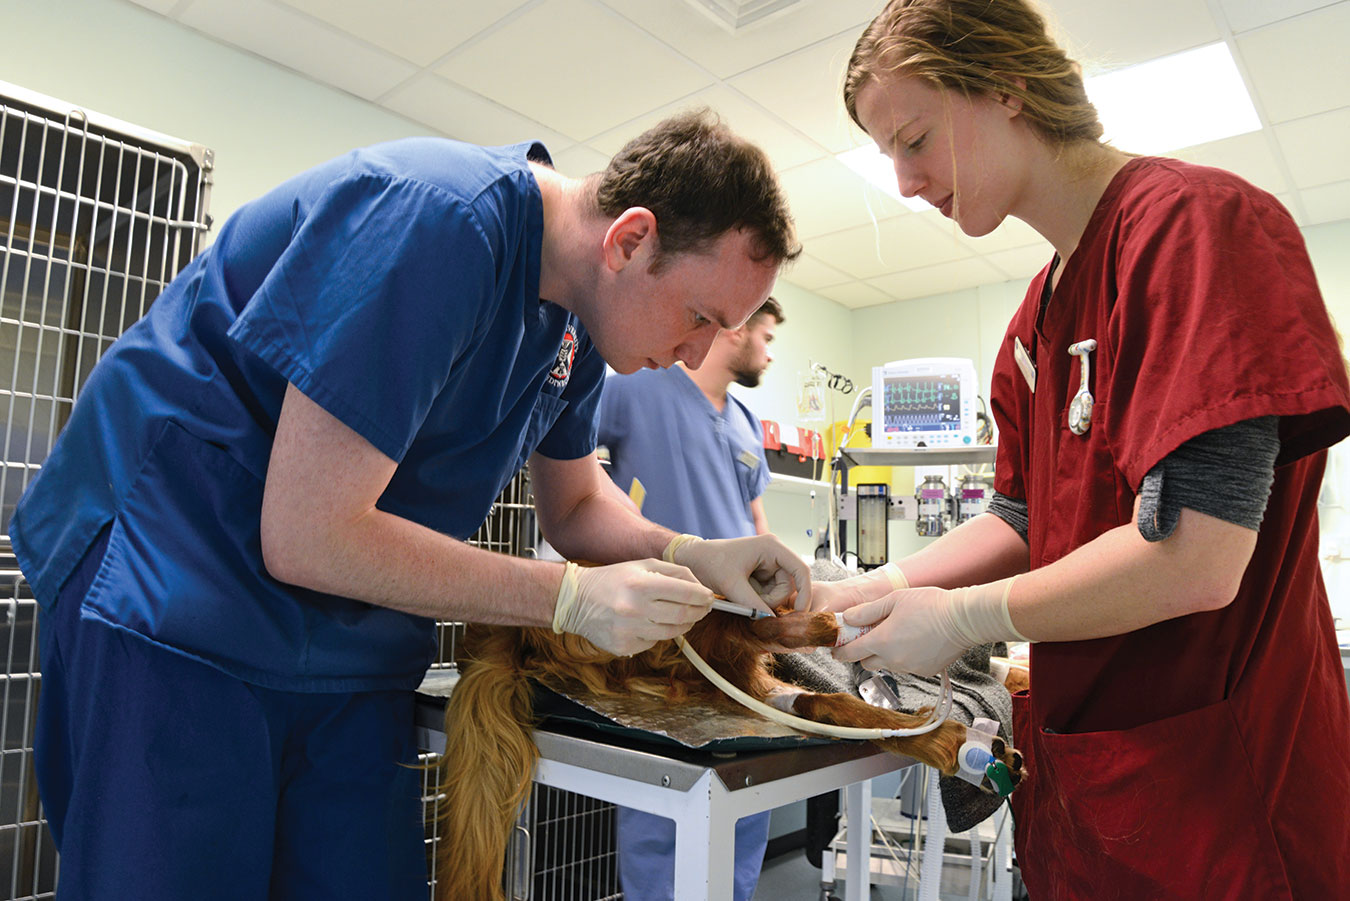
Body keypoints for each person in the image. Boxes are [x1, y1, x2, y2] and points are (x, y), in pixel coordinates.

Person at [10, 109, 815, 900]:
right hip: (177, 586)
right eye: (701, 317)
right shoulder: (438, 222)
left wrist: (690, 552)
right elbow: (308, 532)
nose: (698, 353)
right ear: (630, 240)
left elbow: (573, 506)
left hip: (346, 636)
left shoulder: (577, 327)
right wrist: (567, 597)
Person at [816, 0, 1350, 896]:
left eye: (913, 138)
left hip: (1218, 806)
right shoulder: (1034, 323)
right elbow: (1023, 518)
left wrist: (961, 618)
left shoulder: (1193, 229)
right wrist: (891, 585)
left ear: (1005, 88)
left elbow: (1196, 557)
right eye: (887, 157)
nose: (905, 183)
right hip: (1092, 801)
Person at [598, 296, 783, 901]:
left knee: (748, 789)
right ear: (737, 326)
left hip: (739, 635)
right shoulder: (636, 386)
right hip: (665, 634)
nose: (770, 350)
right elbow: (572, 472)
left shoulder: (746, 424)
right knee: (663, 798)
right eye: (768, 335)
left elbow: (759, 525)